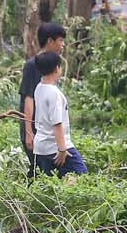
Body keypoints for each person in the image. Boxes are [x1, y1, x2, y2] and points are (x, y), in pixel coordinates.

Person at [20, 21, 66, 177]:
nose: (63, 45)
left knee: (44, 172)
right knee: (38, 170)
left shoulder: (51, 65)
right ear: (50, 41)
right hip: (35, 129)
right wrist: (28, 132)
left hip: (46, 131)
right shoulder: (33, 65)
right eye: (60, 40)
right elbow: (28, 99)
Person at [31, 50, 87, 177]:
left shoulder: (39, 87)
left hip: (41, 147)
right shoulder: (53, 93)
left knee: (54, 184)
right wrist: (62, 150)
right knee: (82, 175)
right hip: (55, 146)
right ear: (57, 68)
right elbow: (57, 123)